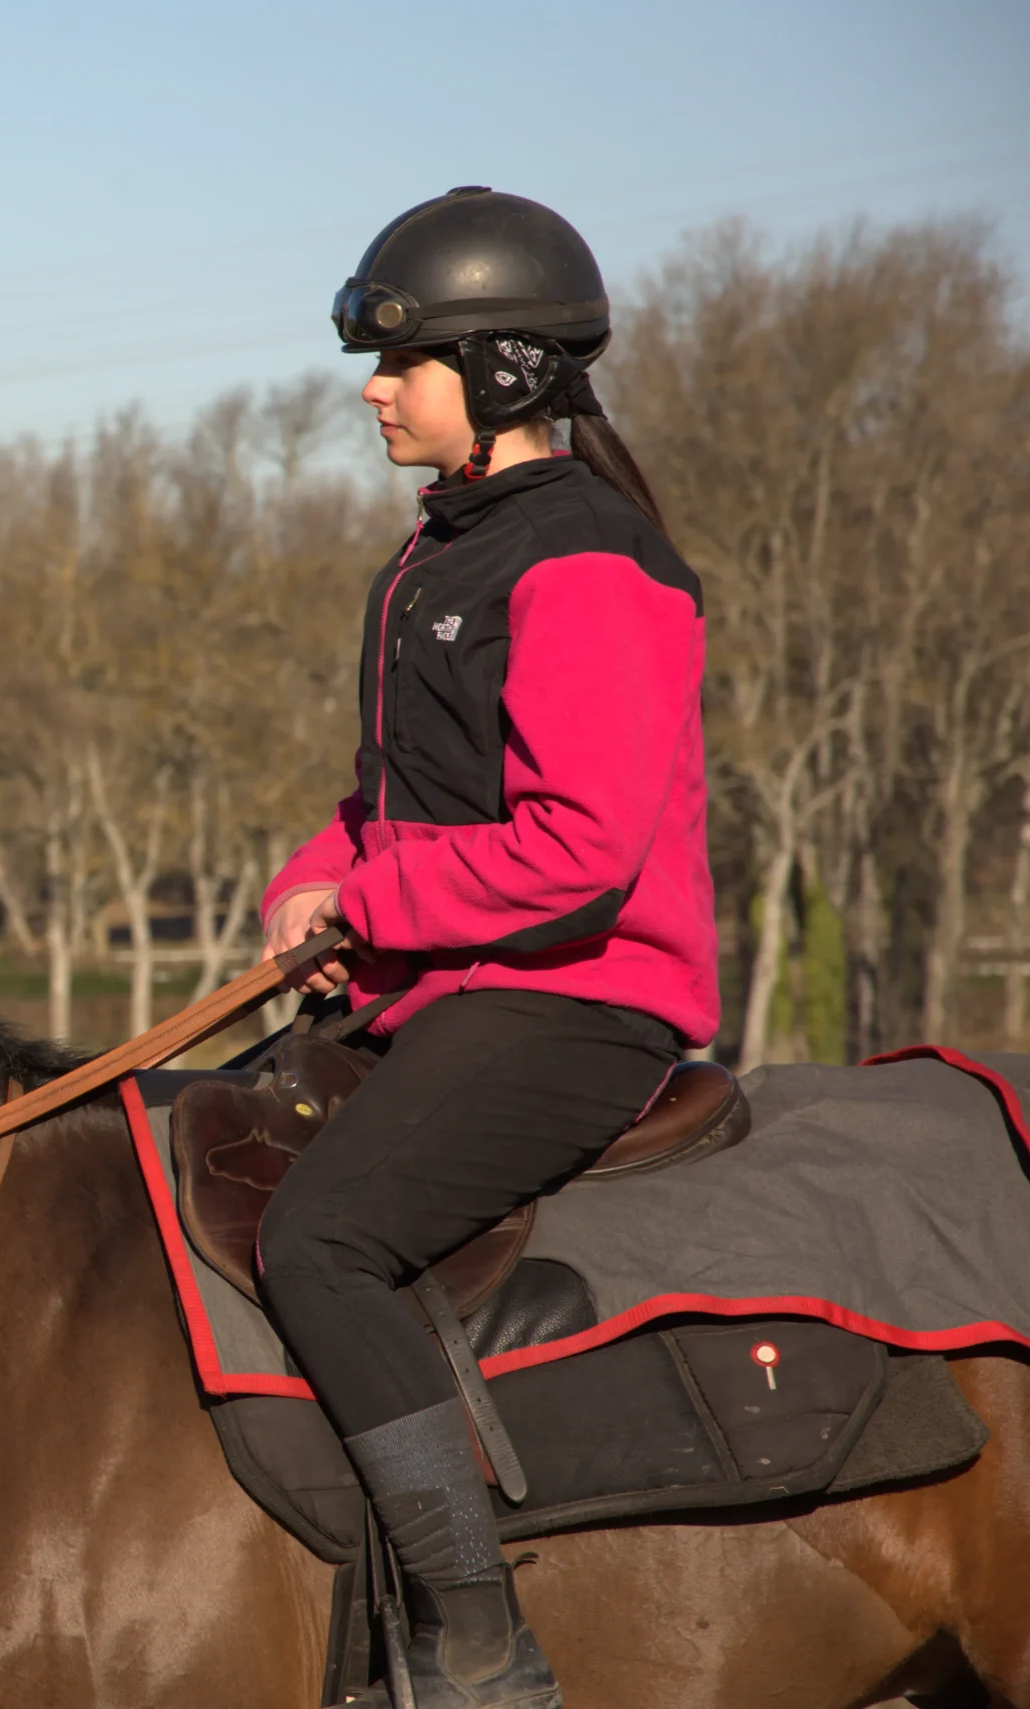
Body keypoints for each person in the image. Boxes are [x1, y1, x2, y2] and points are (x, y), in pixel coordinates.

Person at [255, 187, 718, 1709]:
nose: (374, 390)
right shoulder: (431, 558)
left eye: (404, 361)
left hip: (580, 1000)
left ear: (508, 373)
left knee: (321, 1236)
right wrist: (316, 879)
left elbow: (579, 846)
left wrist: (373, 908)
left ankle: (476, 1644)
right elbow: (401, 795)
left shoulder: (585, 559)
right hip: (445, 985)